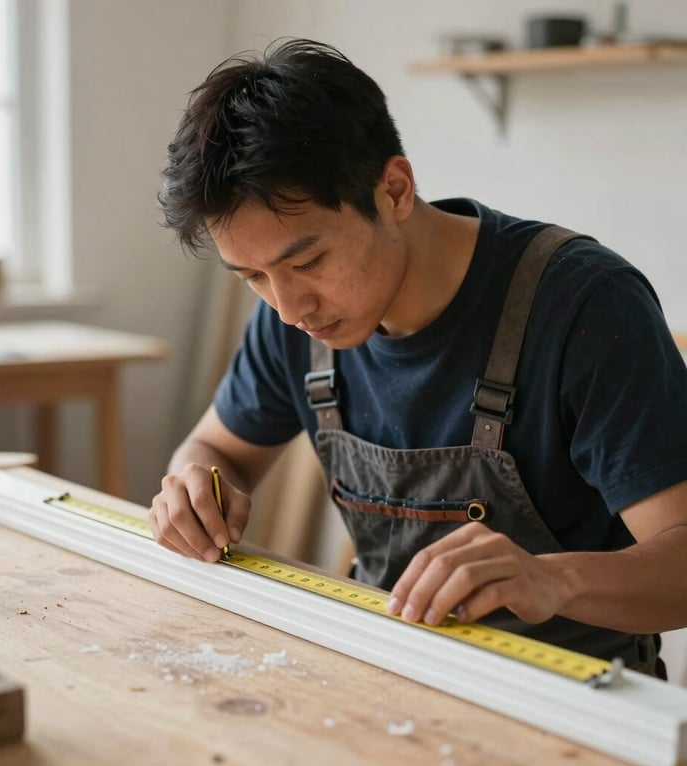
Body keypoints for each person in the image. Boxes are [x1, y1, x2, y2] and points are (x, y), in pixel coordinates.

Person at [149, 38, 687, 676]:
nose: (289, 307)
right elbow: (217, 452)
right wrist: (193, 488)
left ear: (395, 190)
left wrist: (553, 582)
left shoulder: (585, 307)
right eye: (252, 278)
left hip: (579, 703)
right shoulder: (293, 319)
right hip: (393, 677)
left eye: (308, 261)